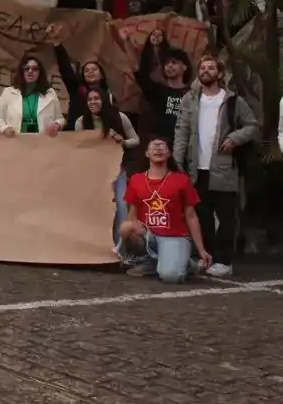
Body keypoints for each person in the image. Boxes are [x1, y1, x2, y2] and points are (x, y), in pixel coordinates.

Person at [172, 56, 258, 279]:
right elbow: (181, 130)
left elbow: (252, 125)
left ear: (220, 74)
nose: (206, 71)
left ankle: (224, 260)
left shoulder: (232, 101)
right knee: (202, 215)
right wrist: (176, 160)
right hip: (196, 169)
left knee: (227, 216)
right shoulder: (190, 99)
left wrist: (234, 138)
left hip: (224, 168)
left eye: (211, 68)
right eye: (203, 68)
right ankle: (207, 257)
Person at [120, 138, 212, 282]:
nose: (158, 147)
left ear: (169, 153)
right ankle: (148, 260)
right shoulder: (136, 179)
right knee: (126, 226)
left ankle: (187, 264)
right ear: (146, 153)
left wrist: (201, 250)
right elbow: (132, 215)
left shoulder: (181, 179)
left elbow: (192, 216)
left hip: (175, 236)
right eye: (153, 145)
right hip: (149, 235)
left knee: (171, 276)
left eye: (162, 145)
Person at [74, 88, 140, 249]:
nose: (92, 102)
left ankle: (120, 248)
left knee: (120, 204)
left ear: (104, 101)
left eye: (96, 99)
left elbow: (135, 140)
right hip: (93, 172)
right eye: (89, 99)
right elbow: (78, 147)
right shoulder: (81, 122)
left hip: (117, 170)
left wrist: (122, 141)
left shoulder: (119, 117)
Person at [46, 23, 114, 129]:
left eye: (94, 69)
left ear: (101, 75)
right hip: (75, 137)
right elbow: (65, 68)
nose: (90, 72)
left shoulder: (108, 95)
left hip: (101, 139)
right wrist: (56, 42)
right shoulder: (76, 89)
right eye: (86, 70)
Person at [134, 35, 192, 150]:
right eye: (166, 64)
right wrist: (124, 42)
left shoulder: (193, 93)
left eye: (174, 62)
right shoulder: (157, 90)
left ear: (184, 67)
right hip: (161, 147)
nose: (169, 66)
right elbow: (137, 70)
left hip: (187, 147)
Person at [0, 54, 65, 136]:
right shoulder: (8, 92)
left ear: (40, 73)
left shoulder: (50, 93)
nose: (30, 71)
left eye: (34, 69)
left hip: (43, 142)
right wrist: (5, 128)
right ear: (22, 72)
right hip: (15, 141)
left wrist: (57, 124)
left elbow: (60, 118)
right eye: (27, 68)